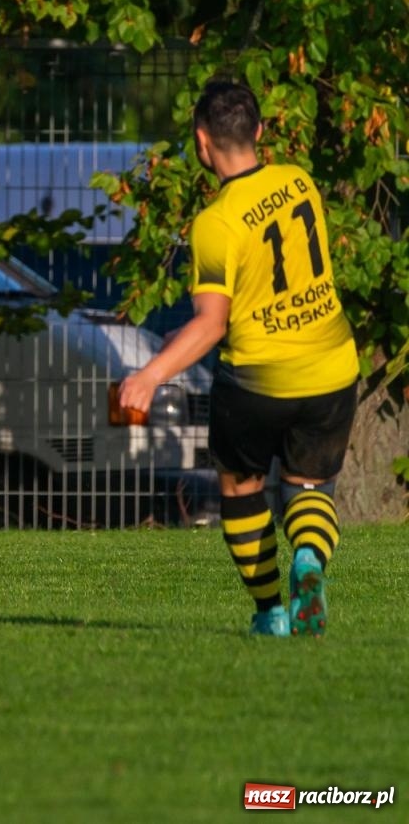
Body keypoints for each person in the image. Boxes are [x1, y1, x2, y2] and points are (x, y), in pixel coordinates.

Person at [118, 81, 356, 637]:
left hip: (258, 379)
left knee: (241, 488)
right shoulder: (299, 181)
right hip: (331, 364)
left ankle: (272, 611)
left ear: (203, 144)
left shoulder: (216, 222)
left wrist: (150, 374)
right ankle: (309, 563)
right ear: (261, 131)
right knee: (309, 486)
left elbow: (211, 323)